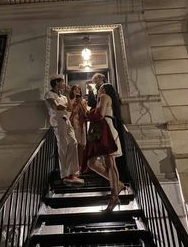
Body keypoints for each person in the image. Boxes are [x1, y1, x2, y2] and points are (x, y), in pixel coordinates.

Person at [82, 83, 127, 212]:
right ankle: (118, 185)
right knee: (92, 162)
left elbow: (100, 114)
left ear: (104, 89)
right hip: (103, 129)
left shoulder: (104, 96)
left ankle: (114, 196)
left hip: (105, 128)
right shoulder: (104, 98)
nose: (98, 90)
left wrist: (86, 113)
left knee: (110, 163)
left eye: (99, 87)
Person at [44, 74, 84, 185]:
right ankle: (66, 174)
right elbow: (56, 107)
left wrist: (67, 94)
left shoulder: (64, 97)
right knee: (63, 145)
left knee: (73, 142)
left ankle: (73, 173)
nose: (64, 84)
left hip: (66, 120)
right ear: (56, 82)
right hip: (57, 120)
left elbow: (70, 108)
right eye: (62, 82)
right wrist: (64, 107)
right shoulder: (49, 94)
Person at [69, 84, 87, 170]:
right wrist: (73, 100)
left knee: (82, 145)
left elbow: (85, 113)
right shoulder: (69, 100)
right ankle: (74, 166)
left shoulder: (83, 101)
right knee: (74, 145)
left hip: (81, 125)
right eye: (75, 89)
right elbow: (69, 111)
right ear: (72, 91)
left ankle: (80, 166)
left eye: (78, 89)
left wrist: (80, 102)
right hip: (73, 124)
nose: (77, 91)